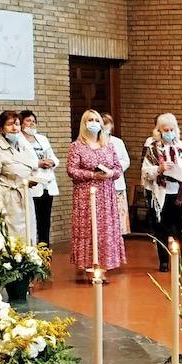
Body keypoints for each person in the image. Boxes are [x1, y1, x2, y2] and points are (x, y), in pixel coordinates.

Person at [66, 109, 125, 276]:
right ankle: (88, 264)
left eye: (96, 120)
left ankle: (104, 265)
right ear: (84, 124)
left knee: (105, 230)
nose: (94, 123)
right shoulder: (76, 146)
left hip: (106, 194)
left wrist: (110, 174)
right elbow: (71, 170)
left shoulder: (108, 145)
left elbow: (118, 168)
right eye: (89, 120)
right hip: (86, 194)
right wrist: (92, 174)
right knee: (89, 229)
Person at [140, 113, 182, 272]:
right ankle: (164, 261)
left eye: (172, 129)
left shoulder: (181, 146)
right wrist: (160, 169)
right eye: (166, 129)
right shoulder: (152, 149)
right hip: (161, 193)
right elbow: (145, 171)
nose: (169, 132)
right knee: (161, 228)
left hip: (178, 192)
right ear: (159, 130)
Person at [0, 110, 39, 243]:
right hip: (7, 198)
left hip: (25, 194)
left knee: (29, 232)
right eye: (10, 125)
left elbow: (32, 166)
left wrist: (32, 179)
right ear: (2, 128)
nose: (14, 128)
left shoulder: (23, 145)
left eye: (17, 124)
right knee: (14, 236)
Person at [19, 110, 59, 246]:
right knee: (32, 219)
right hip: (32, 183)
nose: (32, 123)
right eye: (28, 121)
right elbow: (20, 161)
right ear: (21, 123)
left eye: (34, 121)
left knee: (45, 221)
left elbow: (53, 156)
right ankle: (32, 248)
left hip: (47, 184)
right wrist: (38, 164)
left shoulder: (42, 138)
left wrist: (52, 162)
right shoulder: (18, 140)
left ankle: (45, 249)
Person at [103, 114, 131, 235]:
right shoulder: (94, 142)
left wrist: (115, 169)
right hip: (102, 180)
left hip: (116, 181)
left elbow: (126, 160)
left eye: (108, 123)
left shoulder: (117, 142)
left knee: (118, 215)